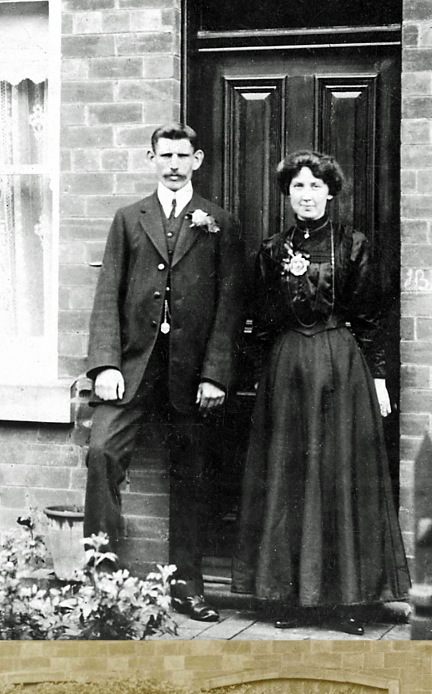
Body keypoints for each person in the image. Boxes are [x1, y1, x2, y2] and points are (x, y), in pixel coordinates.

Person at [232, 151, 410, 627]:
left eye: (315, 186)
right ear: (287, 195)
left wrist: (377, 379)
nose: (306, 195)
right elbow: (260, 320)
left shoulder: (353, 244)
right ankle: (290, 598)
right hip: (288, 369)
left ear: (330, 193)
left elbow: (370, 318)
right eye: (298, 187)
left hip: (341, 368)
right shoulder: (272, 250)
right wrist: (262, 377)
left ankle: (346, 602)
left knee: (339, 475)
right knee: (289, 476)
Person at [84, 123, 246, 620]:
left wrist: (215, 374)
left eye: (182, 156)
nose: (174, 164)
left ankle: (187, 585)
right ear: (150, 158)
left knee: (192, 474)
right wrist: (105, 364)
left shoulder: (220, 223)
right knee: (102, 453)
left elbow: (230, 307)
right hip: (134, 368)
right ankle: (102, 579)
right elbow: (107, 294)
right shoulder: (129, 219)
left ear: (197, 160)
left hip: (192, 374)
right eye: (165, 155)